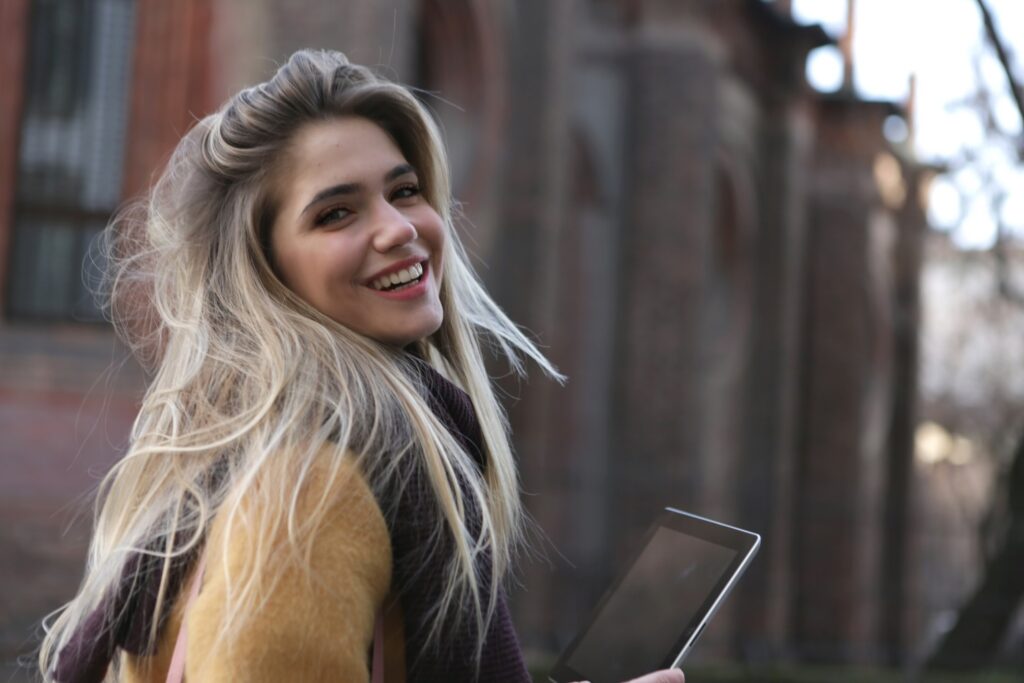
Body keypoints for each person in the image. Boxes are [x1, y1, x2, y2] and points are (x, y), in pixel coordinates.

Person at [38, 49, 685, 683]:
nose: (398, 228)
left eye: (404, 191)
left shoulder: (284, 453)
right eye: (336, 212)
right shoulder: (311, 488)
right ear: (266, 271)